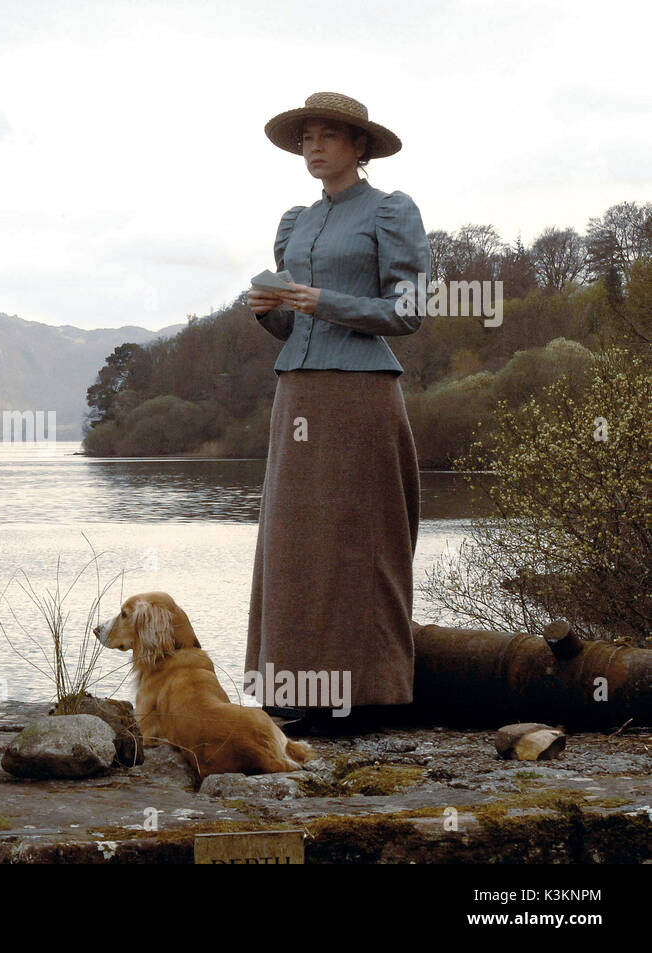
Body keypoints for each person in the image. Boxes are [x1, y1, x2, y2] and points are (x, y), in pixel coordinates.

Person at [245, 92, 431, 736]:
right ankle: (289, 690)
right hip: (296, 389)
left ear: (360, 147)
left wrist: (325, 301)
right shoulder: (294, 221)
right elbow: (289, 324)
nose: (314, 147)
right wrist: (271, 310)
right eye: (306, 139)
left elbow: (408, 312)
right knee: (295, 543)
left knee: (359, 538)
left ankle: (367, 693)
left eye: (328, 136)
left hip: (362, 393)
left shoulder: (390, 210)